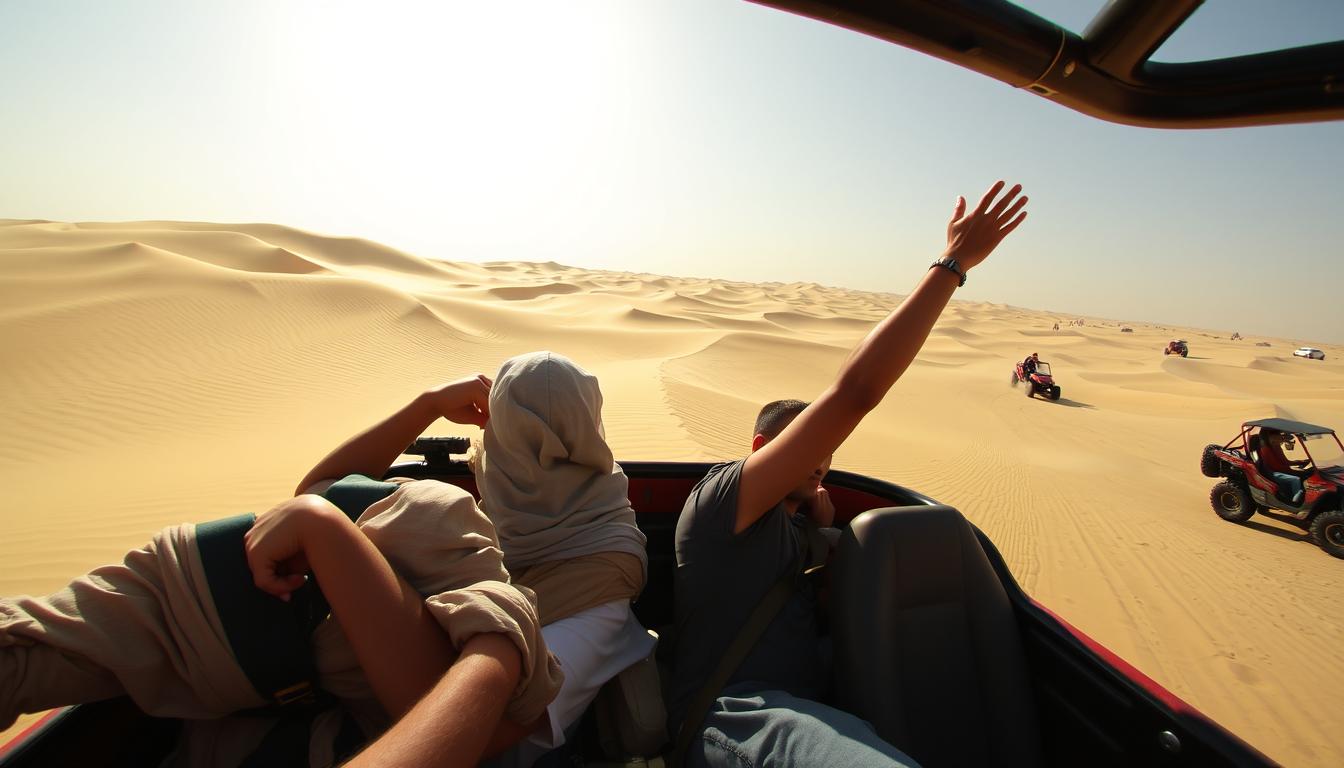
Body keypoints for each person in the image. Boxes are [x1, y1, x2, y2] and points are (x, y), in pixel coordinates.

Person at [1, 377, 563, 767]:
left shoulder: (461, 534)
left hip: (190, 591)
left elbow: (318, 489)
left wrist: (324, 524)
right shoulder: (491, 552)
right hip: (224, 639)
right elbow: (323, 486)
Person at [672, 180, 1028, 767]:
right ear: (762, 448)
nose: (821, 458)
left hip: (813, 708)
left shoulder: (802, 531)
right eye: (809, 445)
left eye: (828, 451)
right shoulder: (721, 500)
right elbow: (855, 393)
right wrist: (953, 264)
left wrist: (822, 535)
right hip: (739, 715)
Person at [316, 351, 654, 767]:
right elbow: (325, 495)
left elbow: (481, 737)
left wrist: (428, 407)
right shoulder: (509, 519)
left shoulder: (597, 594)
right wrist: (429, 403)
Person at [1259, 430, 1308, 504]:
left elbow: (1285, 462)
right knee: (1296, 479)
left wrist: (1299, 462)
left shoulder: (1276, 447)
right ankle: (1295, 502)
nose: (1281, 438)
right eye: (1278, 436)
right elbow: (1276, 467)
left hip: (1280, 470)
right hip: (1273, 473)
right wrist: (1291, 470)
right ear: (1271, 438)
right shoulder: (1266, 450)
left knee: (1306, 474)